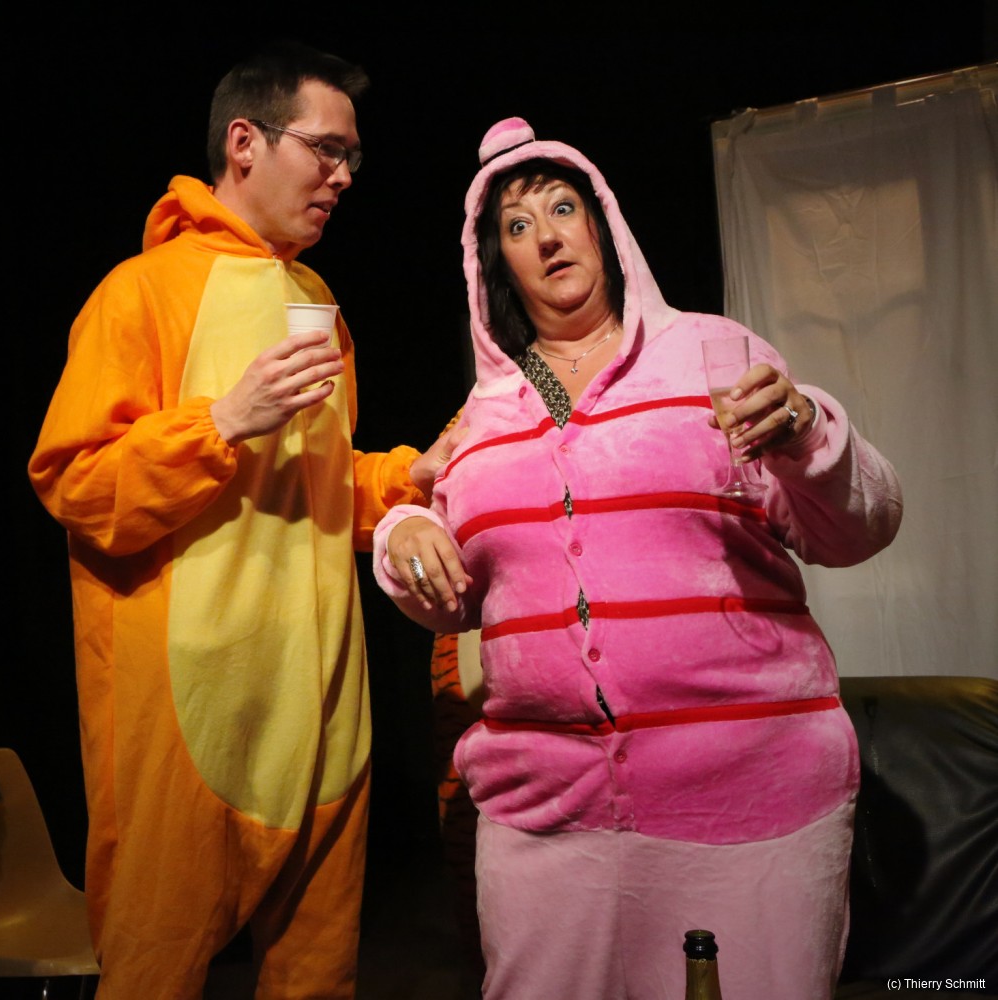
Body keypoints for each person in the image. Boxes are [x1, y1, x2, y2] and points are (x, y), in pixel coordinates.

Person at [375, 119, 902, 1000]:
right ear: (496, 265)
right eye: (516, 226)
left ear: (603, 224)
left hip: (747, 802)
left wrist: (808, 431)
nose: (546, 236)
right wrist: (401, 535)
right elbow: (447, 593)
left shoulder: (713, 357)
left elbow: (859, 530)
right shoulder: (486, 414)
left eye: (562, 208)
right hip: (547, 820)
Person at [29, 43, 455, 999]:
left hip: (323, 689)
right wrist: (222, 421)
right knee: (155, 973)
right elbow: (77, 485)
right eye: (326, 149)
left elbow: (315, 485)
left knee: (317, 974)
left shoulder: (316, 301)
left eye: (353, 156)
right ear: (244, 142)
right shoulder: (139, 291)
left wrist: (407, 477)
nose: (344, 176)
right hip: (192, 705)